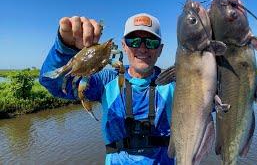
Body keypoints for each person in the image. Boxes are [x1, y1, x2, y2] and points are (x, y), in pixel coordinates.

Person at [39, 13, 175, 164]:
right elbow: (50, 82)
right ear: (124, 46)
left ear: (160, 49)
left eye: (151, 42)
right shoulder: (106, 80)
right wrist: (65, 48)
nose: (142, 48)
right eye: (134, 41)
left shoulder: (174, 83)